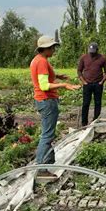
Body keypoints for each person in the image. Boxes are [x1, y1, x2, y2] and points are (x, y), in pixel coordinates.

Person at [30, 35, 81, 180]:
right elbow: (44, 85)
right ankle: (41, 169)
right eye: (52, 47)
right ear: (45, 49)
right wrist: (64, 85)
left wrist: (57, 76)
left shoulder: (39, 60)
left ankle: (47, 162)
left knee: (48, 133)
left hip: (44, 100)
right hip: (46, 101)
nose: (54, 50)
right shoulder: (41, 62)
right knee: (47, 135)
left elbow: (44, 77)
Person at [77, 42, 106, 126]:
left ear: (97, 50)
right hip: (87, 84)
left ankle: (96, 121)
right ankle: (84, 123)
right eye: (90, 51)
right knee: (85, 103)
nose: (91, 53)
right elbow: (79, 71)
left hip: (98, 84)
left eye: (93, 51)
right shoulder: (84, 58)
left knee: (98, 103)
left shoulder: (102, 58)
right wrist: (83, 81)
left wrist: (102, 81)